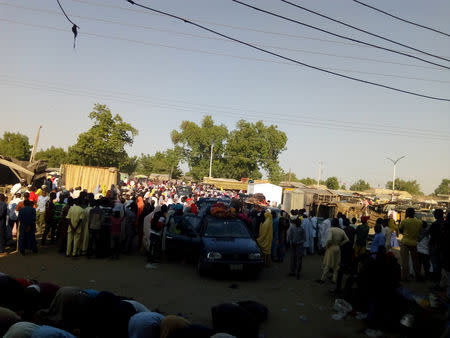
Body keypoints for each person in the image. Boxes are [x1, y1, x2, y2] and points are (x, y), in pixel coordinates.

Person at [318, 218, 349, 284]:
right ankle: (334, 279)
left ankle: (322, 279)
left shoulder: (331, 230)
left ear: (332, 223)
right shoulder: (341, 230)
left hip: (331, 248)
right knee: (336, 265)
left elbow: (329, 239)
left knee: (327, 264)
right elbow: (347, 239)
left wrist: (326, 246)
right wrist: (340, 244)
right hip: (337, 248)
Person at [398, 207, 422, 281]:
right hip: (414, 243)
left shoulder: (404, 221)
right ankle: (418, 276)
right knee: (415, 261)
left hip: (405, 242)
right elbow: (419, 231)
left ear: (407, 213)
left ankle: (405, 277)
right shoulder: (419, 222)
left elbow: (401, 230)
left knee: (405, 261)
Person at [429, 209, 444, 286]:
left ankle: (436, 283)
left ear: (437, 215)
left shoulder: (435, 224)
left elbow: (431, 235)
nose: (433, 215)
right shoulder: (444, 223)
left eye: (434, 213)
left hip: (435, 246)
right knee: (440, 265)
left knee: (436, 265)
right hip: (442, 247)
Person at [287, 214, 305, 279]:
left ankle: (298, 272)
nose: (298, 223)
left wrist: (297, 242)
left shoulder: (302, 229)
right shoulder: (293, 228)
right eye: (297, 222)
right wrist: (291, 242)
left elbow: (304, 239)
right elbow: (290, 237)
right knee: (292, 259)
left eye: (299, 222)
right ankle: (292, 271)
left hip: (299, 246)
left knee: (299, 260)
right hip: (293, 246)